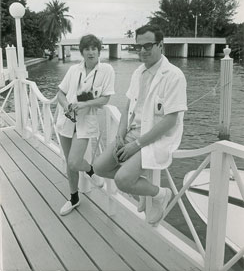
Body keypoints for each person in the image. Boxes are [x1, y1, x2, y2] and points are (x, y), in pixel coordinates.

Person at [93, 25, 187, 226]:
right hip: (132, 133)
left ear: (160, 45)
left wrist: (136, 145)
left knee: (122, 180)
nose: (142, 50)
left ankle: (160, 194)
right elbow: (129, 105)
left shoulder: (174, 75)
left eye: (148, 45)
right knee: (99, 167)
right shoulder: (138, 72)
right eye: (139, 46)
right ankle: (143, 191)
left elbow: (170, 120)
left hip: (156, 138)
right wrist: (120, 133)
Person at [56, 34, 115, 216]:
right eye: (87, 49)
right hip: (67, 120)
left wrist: (84, 104)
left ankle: (90, 170)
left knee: (74, 162)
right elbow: (60, 93)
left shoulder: (106, 70)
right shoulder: (74, 70)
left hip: (85, 123)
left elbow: (105, 99)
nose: (91, 52)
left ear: (99, 51)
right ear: (82, 52)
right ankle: (74, 198)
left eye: (94, 48)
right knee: (69, 163)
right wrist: (67, 106)